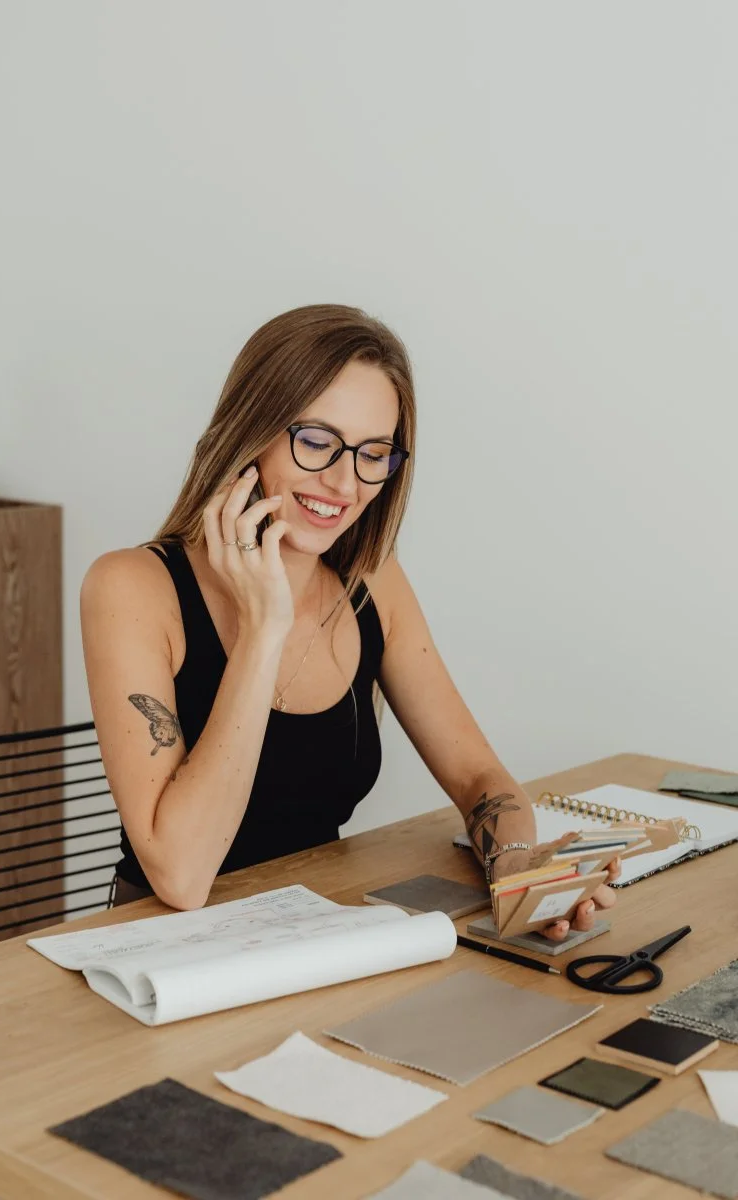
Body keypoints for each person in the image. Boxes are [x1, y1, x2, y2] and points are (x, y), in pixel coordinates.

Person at [81, 303, 620, 936]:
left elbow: (479, 777)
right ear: (249, 430)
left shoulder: (371, 581)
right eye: (315, 441)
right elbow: (181, 876)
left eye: (373, 453)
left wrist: (519, 870)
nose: (344, 482)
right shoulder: (132, 587)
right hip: (163, 960)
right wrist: (263, 628)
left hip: (317, 935)